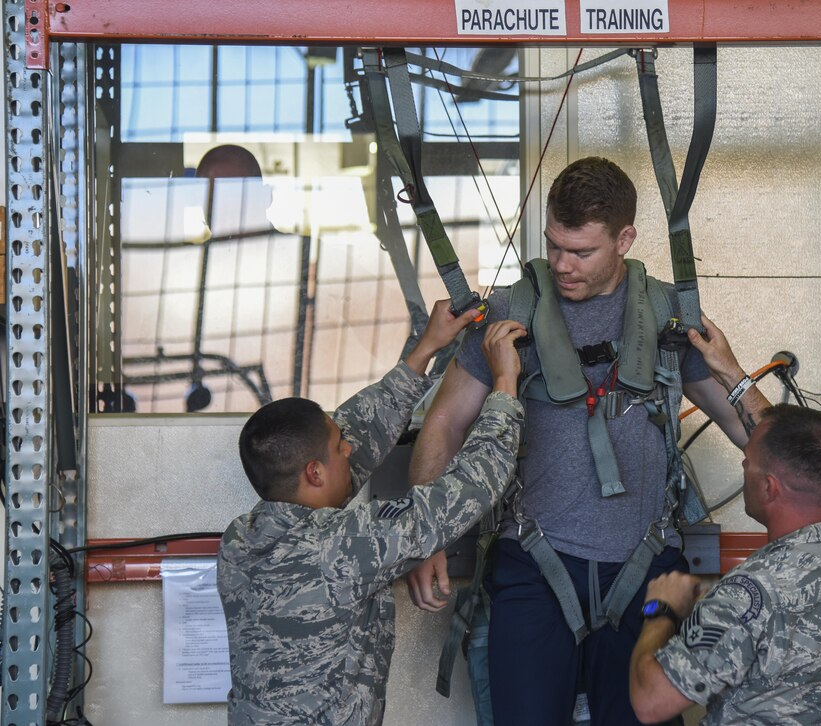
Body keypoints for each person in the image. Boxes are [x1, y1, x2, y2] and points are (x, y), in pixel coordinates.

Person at [405, 156, 774, 725]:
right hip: (534, 561)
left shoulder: (668, 315)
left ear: (625, 238)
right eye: (553, 246)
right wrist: (425, 536)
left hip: (645, 565)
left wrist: (736, 375)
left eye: (581, 252)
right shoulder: (511, 312)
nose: (561, 265)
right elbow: (446, 423)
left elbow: (755, 434)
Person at [217, 299, 527, 725]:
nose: (350, 446)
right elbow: (470, 487)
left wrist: (426, 349)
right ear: (313, 472)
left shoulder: (239, 540)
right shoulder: (340, 546)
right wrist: (505, 385)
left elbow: (354, 437)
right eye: (338, 444)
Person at [629, 404, 821, 725]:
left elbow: (650, 702)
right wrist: (732, 375)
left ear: (769, 487)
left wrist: (661, 610)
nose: (744, 464)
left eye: (748, 462)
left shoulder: (747, 594)